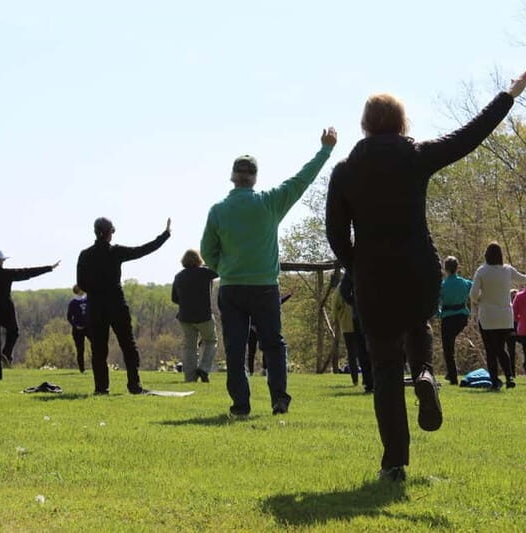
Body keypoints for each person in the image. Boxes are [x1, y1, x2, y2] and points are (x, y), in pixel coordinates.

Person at [326, 66, 526, 483]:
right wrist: (508, 96)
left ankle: (394, 464)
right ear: (401, 123)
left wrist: (357, 264)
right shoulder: (416, 155)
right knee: (418, 325)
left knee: (385, 367)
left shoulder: (345, 171)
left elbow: (335, 234)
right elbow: (469, 136)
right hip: (419, 270)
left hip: (373, 276)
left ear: (365, 125)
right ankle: (424, 374)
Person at [201, 127, 338, 417]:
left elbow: (207, 252)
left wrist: (224, 268)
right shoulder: (270, 202)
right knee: (274, 344)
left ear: (233, 176)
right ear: (254, 178)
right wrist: (325, 150)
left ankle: (240, 405)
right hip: (264, 286)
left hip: (232, 287)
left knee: (235, 349)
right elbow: (302, 180)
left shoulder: (218, 211)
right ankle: (279, 400)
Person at [77, 217, 171, 395]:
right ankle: (134, 385)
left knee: (98, 349)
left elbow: (81, 283)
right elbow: (142, 250)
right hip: (116, 304)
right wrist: (164, 236)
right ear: (110, 232)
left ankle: (101, 388)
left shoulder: (85, 255)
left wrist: (96, 291)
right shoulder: (115, 252)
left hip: (95, 306)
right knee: (128, 345)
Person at [470, 242, 526, 391]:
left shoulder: (482, 271)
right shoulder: (507, 270)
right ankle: (509, 377)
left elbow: (473, 294)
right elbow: (525, 278)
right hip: (505, 317)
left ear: (486, 255)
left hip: (488, 316)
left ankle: (494, 381)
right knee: (501, 348)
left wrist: (481, 299)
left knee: (491, 350)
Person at [0, 250, 59, 380]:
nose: (3, 263)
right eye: (2, 261)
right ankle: (7, 353)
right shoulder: (4, 274)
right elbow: (25, 273)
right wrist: (49, 268)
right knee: (13, 331)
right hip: (4, 310)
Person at [171, 249, 218, 383]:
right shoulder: (205, 273)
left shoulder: (179, 276)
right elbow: (219, 270)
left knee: (189, 347)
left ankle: (190, 377)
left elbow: (174, 298)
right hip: (204, 316)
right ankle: (204, 368)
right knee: (211, 341)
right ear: (199, 260)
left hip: (185, 317)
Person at [438, 256, 473, 385]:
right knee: (451, 342)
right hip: (462, 317)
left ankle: (453, 376)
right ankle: (450, 374)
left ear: (445, 269)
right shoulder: (465, 283)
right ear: (457, 268)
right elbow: (476, 290)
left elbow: (436, 302)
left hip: (448, 317)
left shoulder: (442, 285)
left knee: (448, 348)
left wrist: (438, 314)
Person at [338, 273, 373, 392]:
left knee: (362, 349)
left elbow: (344, 290)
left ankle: (369, 382)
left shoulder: (355, 266)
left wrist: (355, 302)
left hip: (360, 314)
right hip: (379, 311)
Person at [246, 292, 292, 376]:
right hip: (253, 329)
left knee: (265, 349)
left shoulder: (266, 303)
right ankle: (251, 371)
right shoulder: (253, 302)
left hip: (262, 328)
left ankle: (264, 369)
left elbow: (279, 301)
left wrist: (289, 295)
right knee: (252, 351)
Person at [67, 285, 89, 373]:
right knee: (80, 349)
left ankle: (98, 365)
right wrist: (75, 326)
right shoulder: (73, 303)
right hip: (77, 330)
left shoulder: (87, 299)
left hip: (88, 328)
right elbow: (69, 317)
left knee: (96, 345)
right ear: (78, 291)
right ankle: (82, 369)